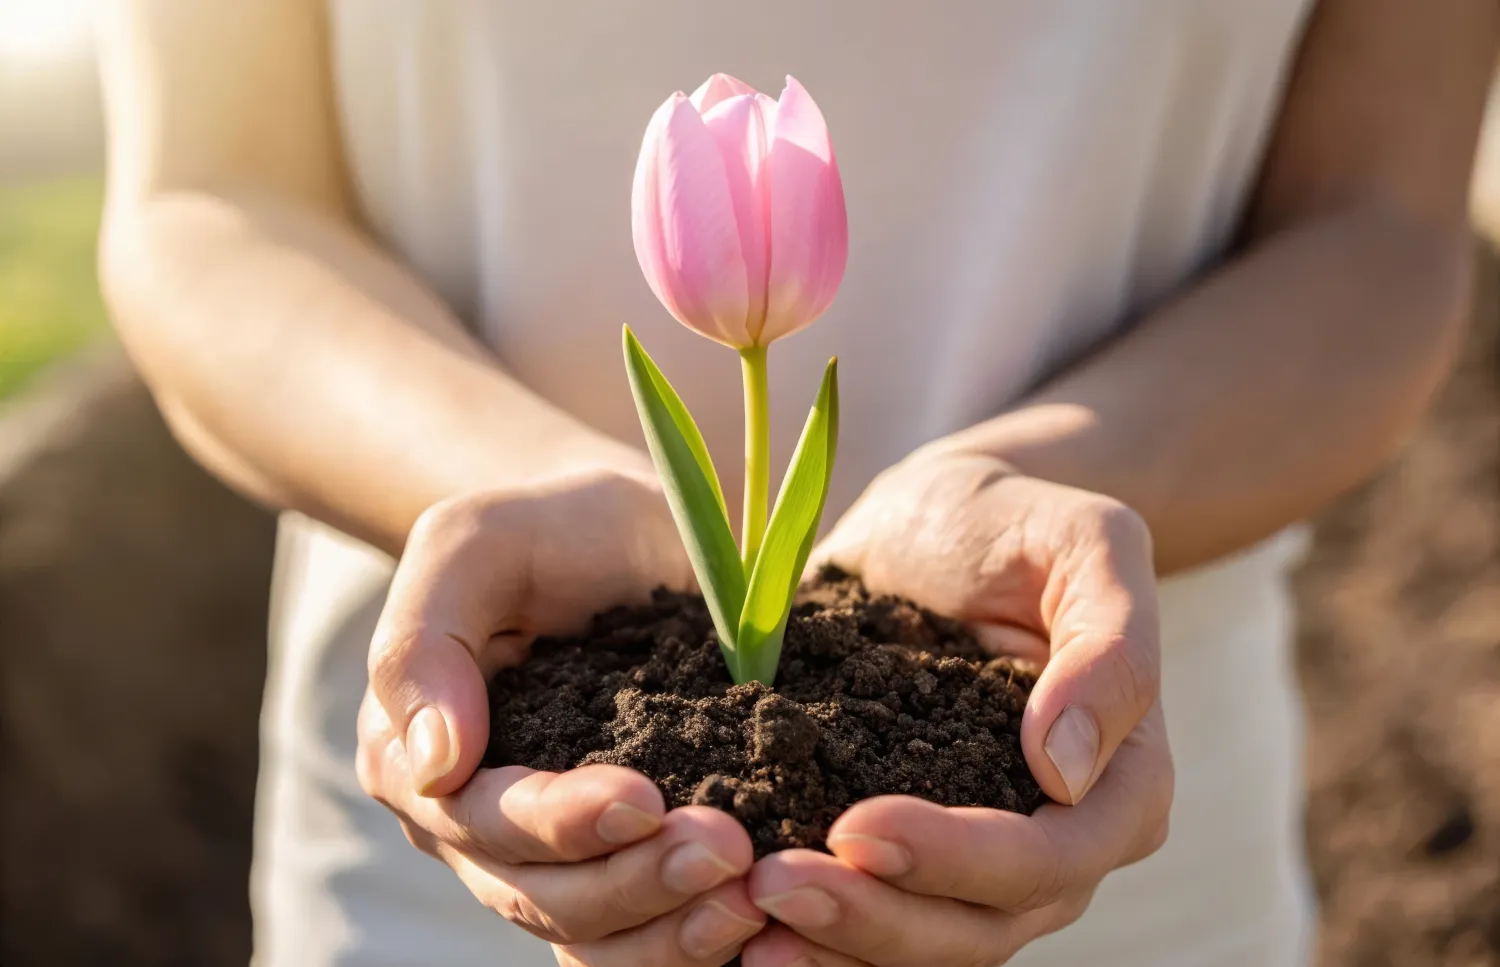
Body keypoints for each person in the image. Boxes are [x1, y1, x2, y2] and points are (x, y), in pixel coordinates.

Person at [96, 2, 1492, 965]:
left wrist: (1030, 475)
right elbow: (206, 203)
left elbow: (1378, 221)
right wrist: (510, 481)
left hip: (1087, 806)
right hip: (487, 780)